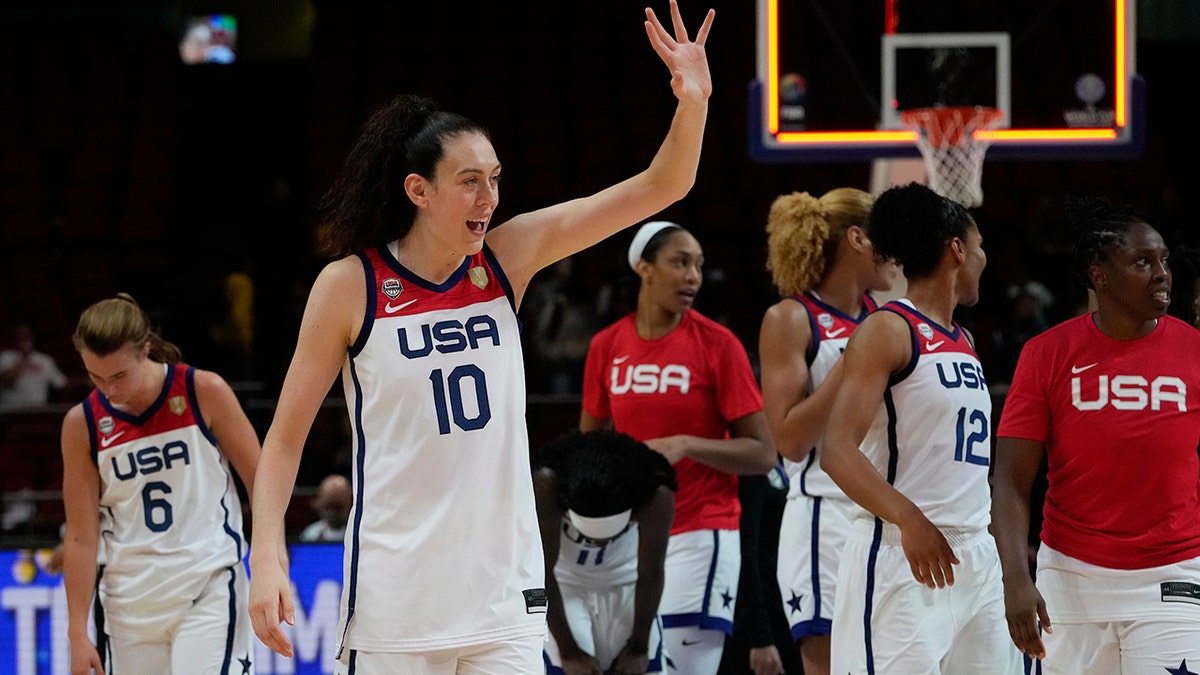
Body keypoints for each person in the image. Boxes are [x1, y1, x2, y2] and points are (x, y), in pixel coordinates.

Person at [247, 4, 715, 673]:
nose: (488, 197)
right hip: (394, 598)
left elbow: (663, 185)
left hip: (502, 596)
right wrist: (267, 554)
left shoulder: (508, 257)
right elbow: (286, 438)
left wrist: (692, 101)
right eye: (469, 182)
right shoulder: (352, 286)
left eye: (494, 178)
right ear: (420, 190)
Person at [820, 182, 1022, 674]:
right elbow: (837, 450)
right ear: (956, 250)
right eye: (979, 248)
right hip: (901, 553)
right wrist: (910, 520)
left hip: (974, 554)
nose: (983, 259)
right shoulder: (889, 329)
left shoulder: (965, 338)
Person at [992, 196, 1200, 673]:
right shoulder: (1047, 354)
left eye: (1164, 260)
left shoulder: (1193, 350)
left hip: (1171, 574)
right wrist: (1015, 580)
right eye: (1143, 262)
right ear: (1099, 276)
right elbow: (1009, 481)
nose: (1162, 273)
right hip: (1068, 579)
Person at [580, 220, 777, 675]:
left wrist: (688, 445)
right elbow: (587, 448)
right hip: (628, 537)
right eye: (680, 262)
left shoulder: (718, 344)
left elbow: (764, 453)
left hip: (703, 532)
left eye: (699, 266)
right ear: (644, 268)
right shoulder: (606, 346)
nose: (693, 276)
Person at [59, 293, 264, 674]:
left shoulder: (203, 391)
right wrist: (76, 631)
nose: (109, 390)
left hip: (206, 586)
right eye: (96, 377)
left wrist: (274, 557)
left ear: (146, 351)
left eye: (119, 376)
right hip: (127, 606)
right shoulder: (82, 423)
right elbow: (81, 537)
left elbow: (264, 481)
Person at [755, 188, 896, 675]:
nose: (895, 253)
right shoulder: (792, 318)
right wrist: (855, 362)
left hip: (881, 516)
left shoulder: (886, 320)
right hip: (822, 516)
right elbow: (789, 441)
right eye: (886, 238)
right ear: (857, 238)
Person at [534, 429, 677, 675]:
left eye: (609, 536)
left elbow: (651, 572)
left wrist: (639, 648)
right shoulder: (547, 485)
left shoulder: (655, 494)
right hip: (564, 586)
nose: (599, 544)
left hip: (628, 584)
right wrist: (568, 651)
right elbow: (540, 573)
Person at [0, 322, 69, 412]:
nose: (23, 339)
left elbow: (61, 384)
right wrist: (24, 357)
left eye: (26, 335)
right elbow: (8, 380)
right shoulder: (6, 357)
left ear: (32, 337)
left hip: (37, 413)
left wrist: (82, 382)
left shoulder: (45, 360)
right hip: (11, 413)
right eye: (20, 336)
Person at [299, 473, 353, 543]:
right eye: (329, 507)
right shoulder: (310, 535)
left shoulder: (360, 534)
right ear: (319, 504)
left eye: (338, 507)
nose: (333, 513)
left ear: (350, 504)